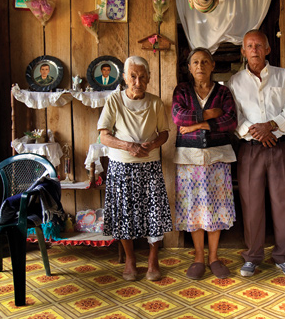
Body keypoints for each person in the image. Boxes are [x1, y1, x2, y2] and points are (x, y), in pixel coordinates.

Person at [227, 29, 285, 278]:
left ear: (268, 49)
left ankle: (283, 256)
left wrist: (271, 126)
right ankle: (253, 256)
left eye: (258, 45)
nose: (254, 49)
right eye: (249, 46)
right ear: (244, 51)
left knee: (283, 203)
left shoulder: (283, 76)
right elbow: (235, 116)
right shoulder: (235, 82)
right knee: (252, 204)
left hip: (280, 147)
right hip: (251, 150)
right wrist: (257, 132)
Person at [98, 56, 172, 282]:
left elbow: (164, 133)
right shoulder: (114, 101)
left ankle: (153, 260)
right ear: (124, 78)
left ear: (148, 78)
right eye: (133, 76)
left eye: (142, 77)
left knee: (154, 213)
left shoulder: (155, 102)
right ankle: (130, 260)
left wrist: (152, 144)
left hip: (149, 166)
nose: (137, 82)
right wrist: (127, 146)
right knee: (124, 214)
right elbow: (104, 135)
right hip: (121, 166)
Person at [172, 48, 237, 280]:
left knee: (216, 206)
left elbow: (230, 120)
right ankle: (199, 257)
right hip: (189, 159)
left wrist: (197, 125)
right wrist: (209, 114)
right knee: (195, 208)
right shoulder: (181, 90)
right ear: (189, 68)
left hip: (217, 157)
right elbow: (179, 117)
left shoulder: (223, 91)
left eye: (205, 62)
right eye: (195, 62)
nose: (200, 66)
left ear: (212, 66)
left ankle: (214, 257)